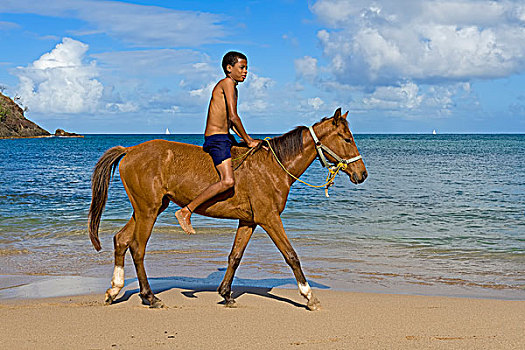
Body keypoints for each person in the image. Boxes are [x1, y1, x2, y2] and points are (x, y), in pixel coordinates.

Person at [175, 51, 262, 234]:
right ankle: (187, 210)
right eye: (242, 67)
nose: (245, 71)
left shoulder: (233, 87)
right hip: (217, 140)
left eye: (246, 68)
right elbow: (234, 116)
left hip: (225, 137)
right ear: (229, 69)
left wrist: (247, 141)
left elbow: (230, 122)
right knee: (228, 181)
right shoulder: (228, 83)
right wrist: (248, 140)